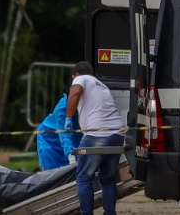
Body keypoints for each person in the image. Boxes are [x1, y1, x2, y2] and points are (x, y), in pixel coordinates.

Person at [64, 61, 125, 215]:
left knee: (84, 178)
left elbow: (75, 92)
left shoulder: (80, 78)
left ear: (76, 74)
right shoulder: (102, 85)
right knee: (108, 179)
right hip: (117, 135)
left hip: (96, 134)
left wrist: (68, 118)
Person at [36, 93, 83, 170]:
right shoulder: (62, 107)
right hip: (50, 141)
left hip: (74, 141)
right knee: (51, 173)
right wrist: (71, 156)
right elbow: (63, 134)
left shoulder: (87, 104)